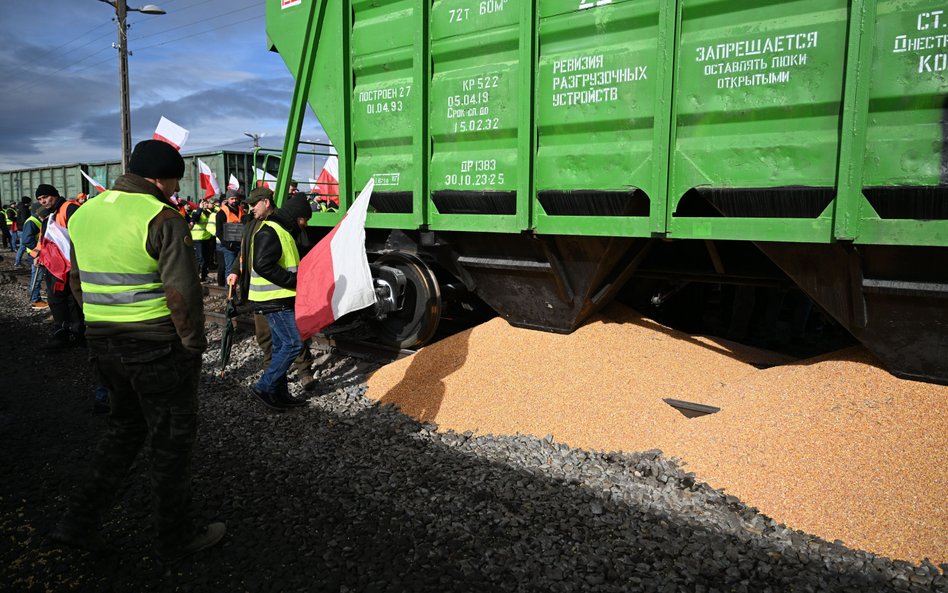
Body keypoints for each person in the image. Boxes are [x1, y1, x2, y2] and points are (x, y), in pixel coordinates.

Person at [52, 139, 225, 561]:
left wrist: (100, 326)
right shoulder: (162, 217)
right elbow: (182, 294)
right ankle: (176, 536)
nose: (173, 189)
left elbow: (77, 280)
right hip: (156, 350)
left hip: (104, 346)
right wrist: (193, 345)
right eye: (172, 181)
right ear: (159, 178)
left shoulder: (86, 213)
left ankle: (77, 523)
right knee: (170, 443)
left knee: (123, 431)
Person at [227, 188, 313, 410]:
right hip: (274, 299)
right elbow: (262, 264)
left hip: (277, 297)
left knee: (279, 346)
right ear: (297, 217)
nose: (305, 224)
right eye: (305, 219)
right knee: (293, 344)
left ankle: (280, 394)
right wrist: (293, 281)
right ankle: (264, 387)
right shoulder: (272, 230)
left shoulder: (279, 229)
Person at [35, 184, 84, 348]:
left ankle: (68, 333)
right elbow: (44, 238)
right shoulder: (50, 215)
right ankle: (70, 331)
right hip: (56, 264)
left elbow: (79, 232)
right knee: (63, 298)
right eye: (40, 199)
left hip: (68, 263)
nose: (43, 201)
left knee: (63, 298)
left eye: (45, 197)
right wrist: (38, 254)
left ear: (54, 195)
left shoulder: (68, 208)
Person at [215, 189, 244, 286]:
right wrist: (227, 244)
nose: (234, 201)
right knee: (230, 269)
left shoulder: (241, 210)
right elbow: (219, 232)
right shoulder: (222, 212)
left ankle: (237, 289)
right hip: (229, 246)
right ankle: (230, 293)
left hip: (240, 244)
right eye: (232, 199)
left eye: (236, 198)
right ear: (228, 199)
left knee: (240, 268)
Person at [22, 201, 48, 310]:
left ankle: (34, 296)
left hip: (37, 253)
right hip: (35, 254)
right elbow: (27, 240)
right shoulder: (31, 222)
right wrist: (38, 252)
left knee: (37, 276)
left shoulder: (36, 220)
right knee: (37, 276)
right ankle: (35, 300)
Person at [189, 198, 215, 282]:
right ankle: (197, 275)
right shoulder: (195, 211)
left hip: (207, 238)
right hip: (197, 239)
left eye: (206, 203)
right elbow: (195, 218)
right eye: (203, 203)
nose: (205, 204)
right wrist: (200, 208)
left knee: (207, 258)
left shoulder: (208, 212)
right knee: (200, 259)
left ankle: (204, 275)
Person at [14, 196, 31, 267]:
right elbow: (24, 219)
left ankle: (18, 262)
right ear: (26, 203)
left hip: (20, 229)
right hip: (23, 229)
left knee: (23, 246)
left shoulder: (19, 207)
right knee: (23, 246)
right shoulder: (24, 209)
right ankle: (17, 262)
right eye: (29, 202)